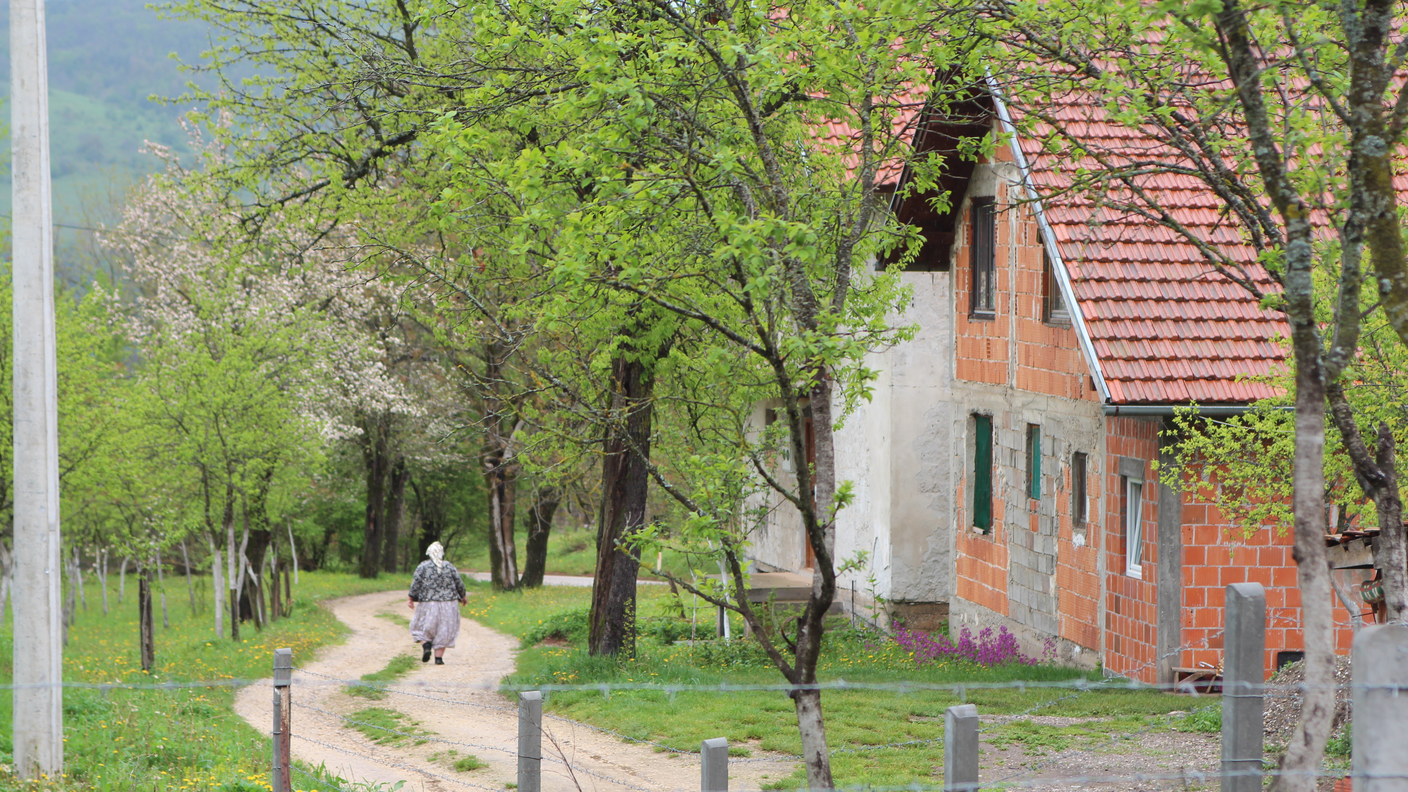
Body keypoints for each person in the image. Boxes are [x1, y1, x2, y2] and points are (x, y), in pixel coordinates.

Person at [408, 542, 467, 664]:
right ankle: (438, 659)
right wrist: (463, 596)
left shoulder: (423, 566)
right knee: (444, 629)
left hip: (428, 603)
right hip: (449, 603)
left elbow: (416, 583)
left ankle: (426, 646)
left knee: (420, 627)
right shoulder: (449, 566)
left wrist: (411, 598)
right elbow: (459, 583)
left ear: (429, 553)